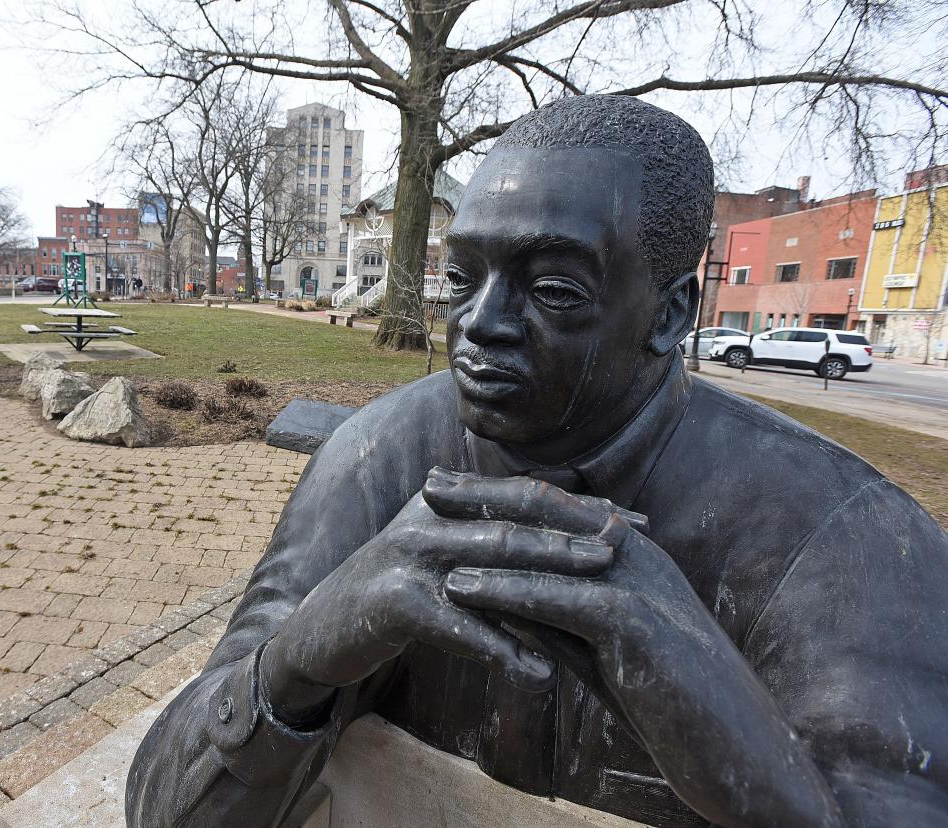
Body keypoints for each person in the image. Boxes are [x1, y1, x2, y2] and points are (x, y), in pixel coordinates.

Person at [126, 95, 948, 827]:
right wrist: (296, 664)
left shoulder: (852, 537)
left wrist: (751, 756)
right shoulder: (378, 459)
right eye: (462, 276)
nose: (480, 324)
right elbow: (163, 808)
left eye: (553, 289)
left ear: (669, 314)